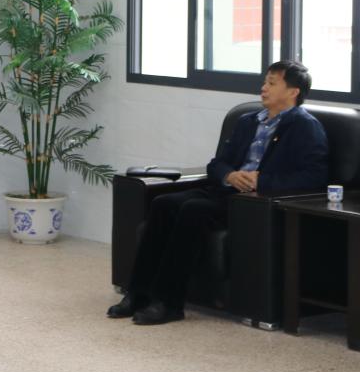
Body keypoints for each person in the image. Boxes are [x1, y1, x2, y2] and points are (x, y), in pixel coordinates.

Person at [107, 60, 328, 325]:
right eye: (264, 82)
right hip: (223, 190)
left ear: (293, 92)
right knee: (163, 203)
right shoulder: (248, 121)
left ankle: (169, 302)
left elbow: (314, 177)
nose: (263, 88)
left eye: (272, 83)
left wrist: (262, 181)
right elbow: (217, 164)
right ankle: (138, 293)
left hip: (253, 203)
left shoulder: (305, 127)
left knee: (193, 210)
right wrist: (229, 175)